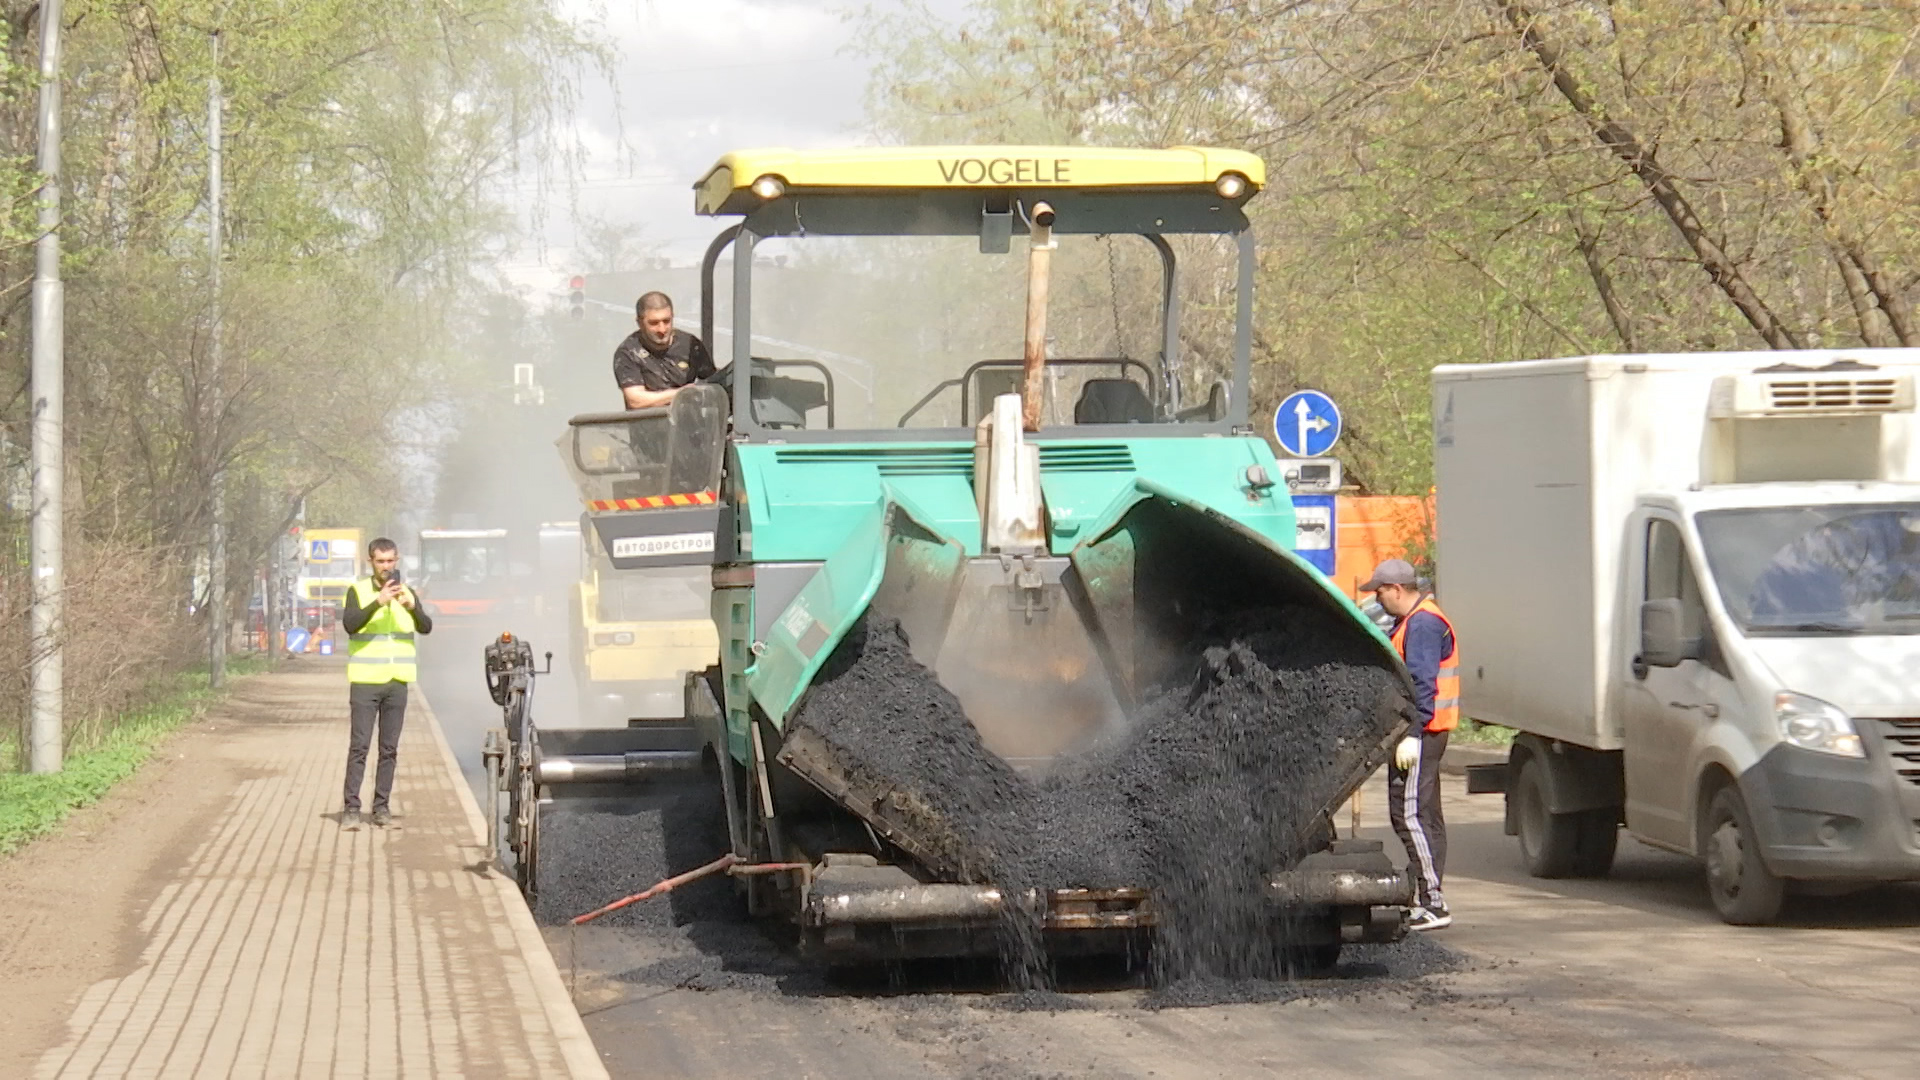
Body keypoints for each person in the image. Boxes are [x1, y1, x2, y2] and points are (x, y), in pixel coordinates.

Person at [1361, 557, 1458, 931]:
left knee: (1408, 814)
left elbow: (1422, 683)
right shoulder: (1411, 622)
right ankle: (1429, 897)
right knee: (1427, 816)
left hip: (1423, 734)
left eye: (1380, 592)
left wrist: (1413, 735)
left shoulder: (1423, 623)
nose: (1378, 600)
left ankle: (1433, 901)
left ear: (1397, 590)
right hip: (1427, 732)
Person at [340, 538, 433, 830]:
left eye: (391, 561)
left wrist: (412, 606)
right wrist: (377, 601)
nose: (386, 567)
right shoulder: (358, 591)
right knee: (360, 747)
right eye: (380, 561)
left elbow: (426, 627)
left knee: (389, 749)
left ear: (397, 560)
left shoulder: (407, 592)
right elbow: (350, 624)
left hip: (397, 682)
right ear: (371, 562)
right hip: (366, 682)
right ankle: (352, 809)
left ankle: (381, 807)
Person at [613, 291, 715, 409]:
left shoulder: (690, 345)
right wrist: (681, 394)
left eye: (666, 321)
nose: (662, 329)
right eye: (654, 323)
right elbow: (636, 401)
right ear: (639, 323)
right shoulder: (629, 352)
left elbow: (712, 381)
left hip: (690, 423)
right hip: (649, 424)